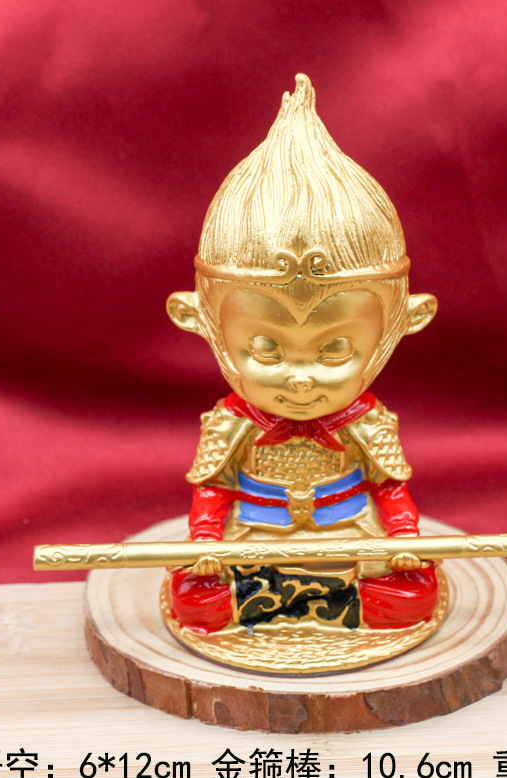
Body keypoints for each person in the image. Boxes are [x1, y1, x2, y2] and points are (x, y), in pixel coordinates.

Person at [166, 74, 439, 635]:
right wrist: (207, 542)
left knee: (412, 593)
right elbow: (213, 489)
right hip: (253, 542)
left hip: (350, 539)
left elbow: (390, 489)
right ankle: (316, 603)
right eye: (265, 348)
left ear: (399, 326)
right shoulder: (232, 423)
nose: (299, 379)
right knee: (195, 599)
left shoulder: (365, 421)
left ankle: (292, 602)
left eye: (334, 348)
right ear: (202, 322)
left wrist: (405, 538)